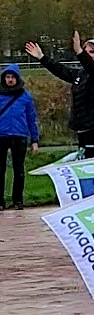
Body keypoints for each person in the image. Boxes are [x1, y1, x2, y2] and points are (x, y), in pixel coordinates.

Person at [26, 33, 94, 156]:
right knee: (84, 163)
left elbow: (93, 69)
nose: (88, 54)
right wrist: (42, 57)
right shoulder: (81, 74)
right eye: (86, 51)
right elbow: (62, 71)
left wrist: (79, 52)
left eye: (92, 52)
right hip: (83, 127)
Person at [0, 65, 39, 210]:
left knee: (19, 170)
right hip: (1, 135)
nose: (10, 80)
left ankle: (18, 200)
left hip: (19, 135)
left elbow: (31, 118)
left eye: (12, 77)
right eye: (7, 77)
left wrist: (34, 140)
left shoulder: (25, 96)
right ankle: (0, 201)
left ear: (17, 78)